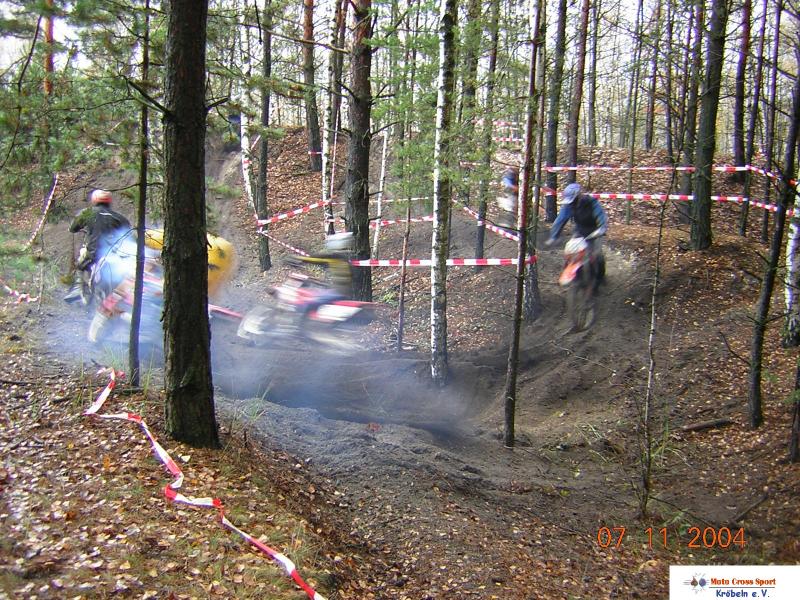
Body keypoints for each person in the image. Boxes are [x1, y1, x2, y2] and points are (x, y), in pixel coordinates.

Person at [64, 189, 131, 303]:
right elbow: (129, 234)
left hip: (95, 252)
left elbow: (73, 228)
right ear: (109, 201)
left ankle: (77, 289)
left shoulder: (88, 213)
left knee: (81, 263)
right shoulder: (120, 218)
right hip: (116, 254)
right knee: (125, 275)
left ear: (94, 200)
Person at [545, 182, 608, 279]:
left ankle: (600, 278)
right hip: (580, 230)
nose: (572, 203)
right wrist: (554, 236)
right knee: (572, 251)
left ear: (579, 196)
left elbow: (601, 215)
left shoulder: (591, 202)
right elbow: (560, 220)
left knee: (596, 255)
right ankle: (573, 276)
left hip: (595, 230)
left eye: (573, 200)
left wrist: (602, 227)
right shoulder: (569, 206)